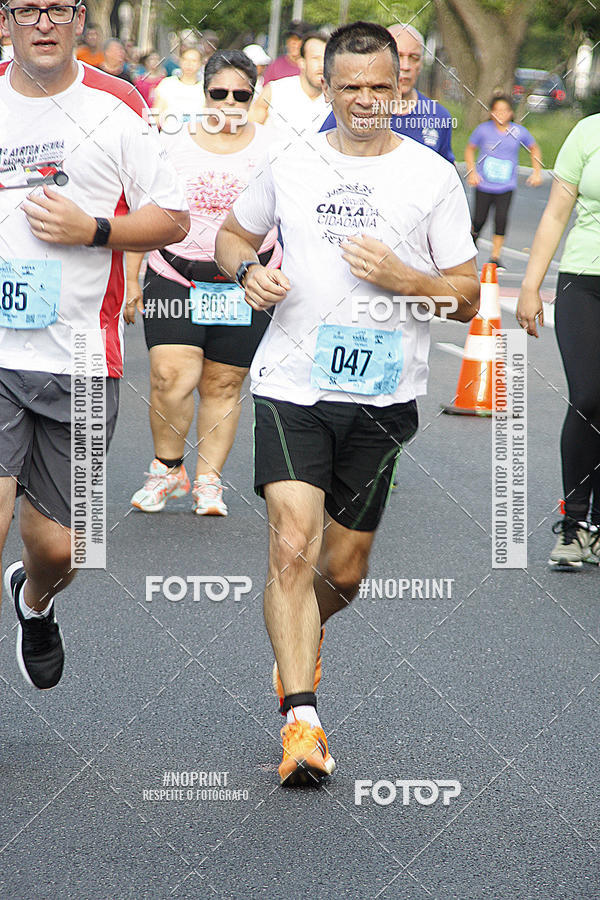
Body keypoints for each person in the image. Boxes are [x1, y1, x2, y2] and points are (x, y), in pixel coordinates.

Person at [215, 21, 479, 785]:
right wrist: (245, 274)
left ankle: (303, 632)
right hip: (291, 386)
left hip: (383, 395)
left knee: (346, 571)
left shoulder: (432, 178)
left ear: (402, 86)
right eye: (349, 87)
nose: (366, 101)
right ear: (325, 88)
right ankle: (302, 720)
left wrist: (409, 280)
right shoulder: (291, 163)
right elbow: (234, 236)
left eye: (380, 86)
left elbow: (463, 300)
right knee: (290, 547)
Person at [0, 0, 189, 690]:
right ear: (6, 19)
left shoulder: (118, 104)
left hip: (80, 358)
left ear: (80, 19)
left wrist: (94, 231)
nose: (42, 22)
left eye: (57, 8)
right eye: (28, 8)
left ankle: (36, 599)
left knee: (59, 548)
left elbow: (172, 217)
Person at [126, 50, 281, 517]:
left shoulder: (277, 147)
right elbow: (143, 210)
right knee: (171, 376)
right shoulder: (170, 141)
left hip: (245, 281)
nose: (230, 104)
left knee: (223, 382)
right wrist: (132, 276)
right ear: (204, 93)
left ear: (254, 97)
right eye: (220, 93)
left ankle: (209, 480)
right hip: (175, 272)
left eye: (242, 95)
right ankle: (167, 469)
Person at [517, 114, 600, 570]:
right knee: (588, 396)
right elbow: (555, 212)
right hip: (583, 280)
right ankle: (574, 524)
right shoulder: (588, 132)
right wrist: (531, 284)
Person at [319, 23, 455, 163]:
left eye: (413, 57)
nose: (405, 66)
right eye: (399, 56)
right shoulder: (347, 113)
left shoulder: (437, 115)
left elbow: (446, 166)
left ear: (421, 63)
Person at [465, 94, 542, 269]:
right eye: (497, 110)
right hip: (484, 184)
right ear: (491, 112)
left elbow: (534, 148)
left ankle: (495, 257)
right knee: (479, 219)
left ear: (511, 113)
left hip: (506, 185)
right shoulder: (483, 130)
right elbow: (470, 149)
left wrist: (537, 172)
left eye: (505, 110)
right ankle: (469, 251)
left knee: (501, 219)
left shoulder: (517, 131)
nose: (501, 114)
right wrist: (472, 172)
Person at [250, 32, 328, 141]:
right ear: (302, 62)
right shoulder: (274, 91)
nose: (322, 65)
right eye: (316, 58)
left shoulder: (338, 101)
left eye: (326, 59)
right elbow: (248, 132)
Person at [153, 45, 204, 123]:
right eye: (185, 60)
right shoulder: (167, 84)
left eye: (194, 61)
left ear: (200, 63)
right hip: (169, 132)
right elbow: (157, 114)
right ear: (180, 61)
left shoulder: (205, 87)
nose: (189, 64)